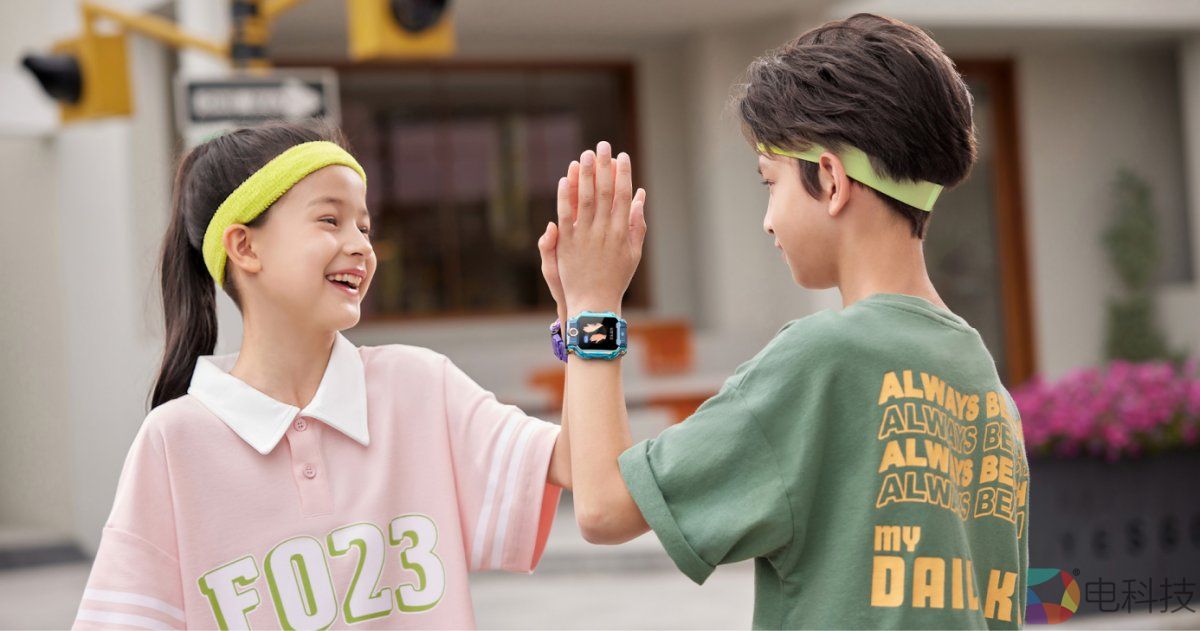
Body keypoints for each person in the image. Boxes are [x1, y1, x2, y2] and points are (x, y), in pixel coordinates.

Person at [543, 13, 1030, 629]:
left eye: (770, 183)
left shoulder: (825, 358)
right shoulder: (981, 377)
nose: (768, 220)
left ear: (829, 179)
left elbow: (604, 509)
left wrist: (594, 309)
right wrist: (578, 316)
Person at [73, 122, 571, 630]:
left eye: (364, 227)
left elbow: (598, 490)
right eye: (330, 220)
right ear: (244, 247)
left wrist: (589, 314)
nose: (361, 247)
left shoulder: (418, 386)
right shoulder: (174, 442)